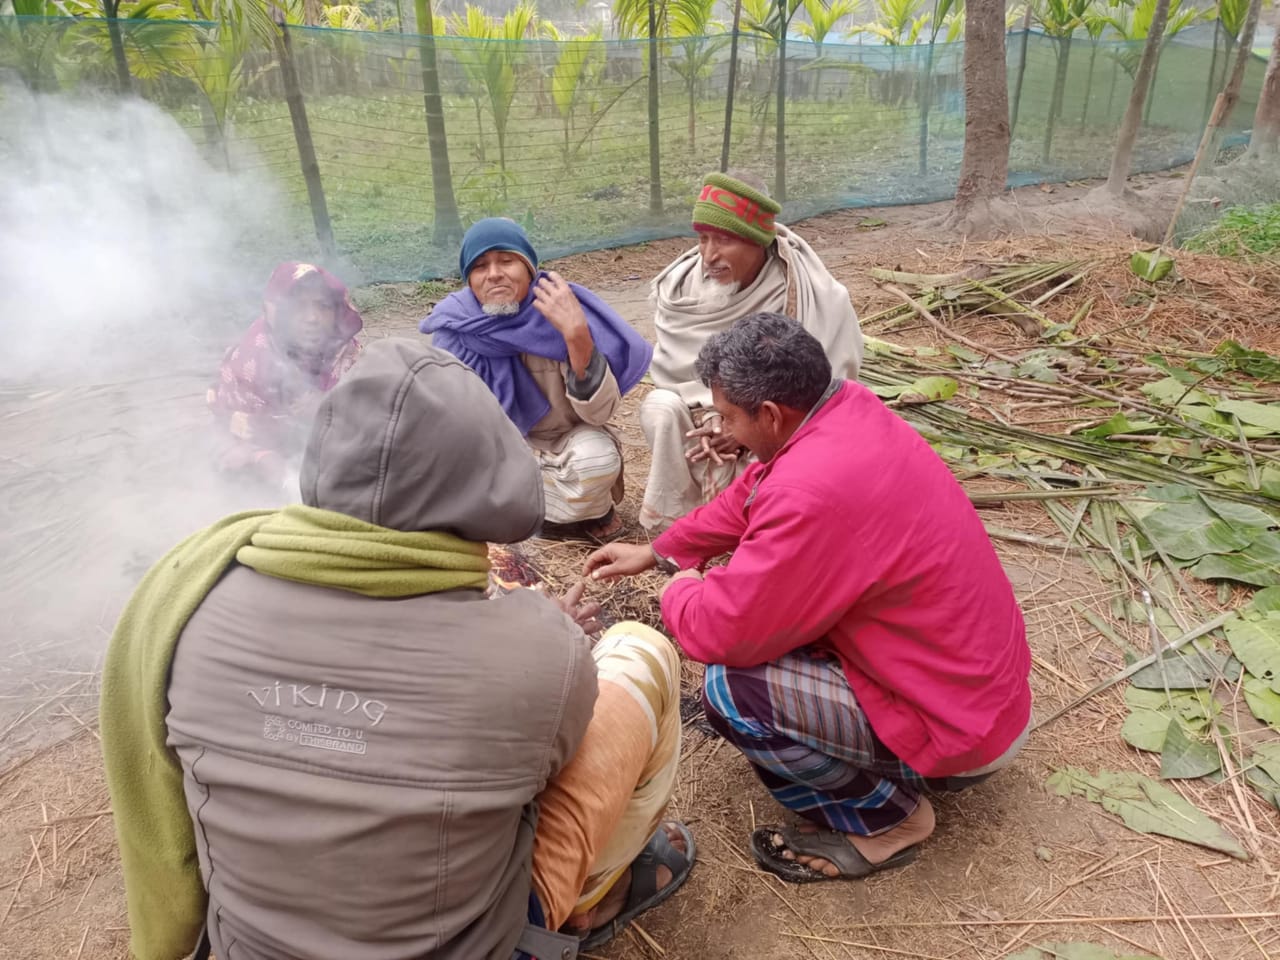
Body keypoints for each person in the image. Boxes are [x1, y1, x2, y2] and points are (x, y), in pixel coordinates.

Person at [101, 339, 694, 960]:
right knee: (638, 650)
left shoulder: (190, 605)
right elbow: (539, 773)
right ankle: (592, 897)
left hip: (245, 948)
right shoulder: (541, 648)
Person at [586, 314, 1030, 883]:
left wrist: (680, 591)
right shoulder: (846, 409)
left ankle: (892, 820)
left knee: (732, 690)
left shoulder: (811, 493)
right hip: (982, 693)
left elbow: (721, 631)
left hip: (960, 727)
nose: (724, 430)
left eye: (727, 417)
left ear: (769, 414)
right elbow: (754, 492)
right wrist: (663, 552)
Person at [639, 172, 865, 533]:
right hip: (704, 427)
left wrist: (742, 428)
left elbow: (826, 393)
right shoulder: (680, 289)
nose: (709, 255)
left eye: (724, 240)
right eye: (702, 238)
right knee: (660, 407)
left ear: (758, 241)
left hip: (771, 427)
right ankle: (677, 526)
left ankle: (756, 523)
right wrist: (713, 417)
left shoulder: (811, 294)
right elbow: (677, 376)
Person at [422, 219, 652, 542]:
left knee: (597, 460)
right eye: (480, 265)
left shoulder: (560, 311)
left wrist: (577, 339)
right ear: (469, 280)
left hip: (564, 445)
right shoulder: (455, 327)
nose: (494, 274)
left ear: (529, 268)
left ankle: (532, 515)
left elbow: (598, 415)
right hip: (497, 451)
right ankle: (560, 517)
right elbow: (448, 420)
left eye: (506, 260)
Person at [207, 261, 363, 493]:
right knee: (236, 469)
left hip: (330, 455)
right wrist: (263, 458)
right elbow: (228, 424)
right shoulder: (250, 357)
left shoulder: (347, 354)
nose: (312, 317)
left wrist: (328, 407)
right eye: (298, 306)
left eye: (323, 306)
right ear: (276, 312)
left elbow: (370, 420)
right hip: (260, 454)